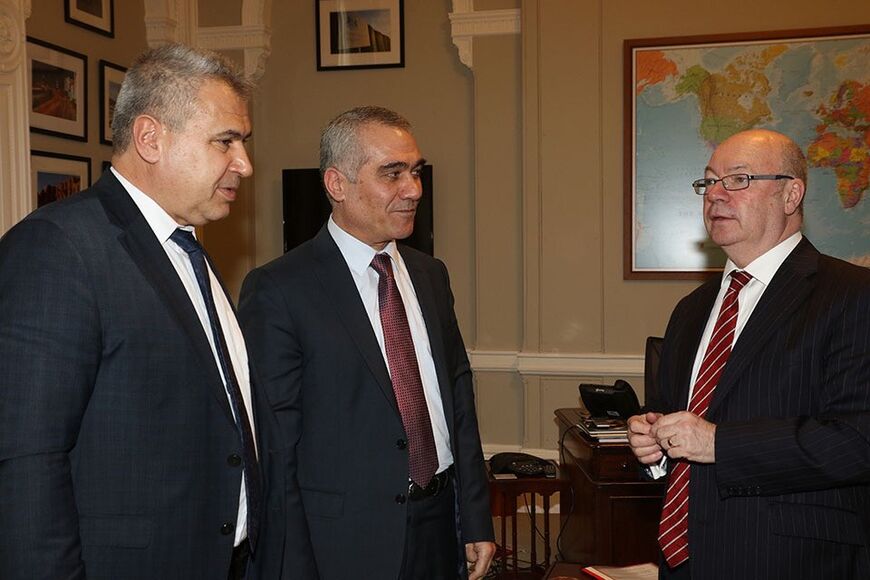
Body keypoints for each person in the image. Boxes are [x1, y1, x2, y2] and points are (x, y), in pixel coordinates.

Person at [0, 44, 284, 580]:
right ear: (151, 138)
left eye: (242, 143)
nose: (244, 164)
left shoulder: (188, 248)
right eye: (226, 141)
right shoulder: (57, 249)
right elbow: (26, 462)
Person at [238, 106, 496, 579]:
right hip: (342, 544)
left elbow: (459, 401)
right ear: (337, 184)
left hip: (440, 525)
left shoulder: (430, 275)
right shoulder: (279, 289)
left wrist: (475, 518)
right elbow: (278, 448)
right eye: (392, 174)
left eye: (415, 172)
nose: (414, 189)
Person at [628, 128, 870, 579]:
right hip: (683, 560)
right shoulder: (691, 310)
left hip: (792, 562)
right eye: (708, 182)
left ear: (790, 194)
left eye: (737, 180)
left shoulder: (852, 296)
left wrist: (719, 443)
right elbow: (676, 421)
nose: (715, 196)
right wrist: (652, 444)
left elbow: (857, 441)